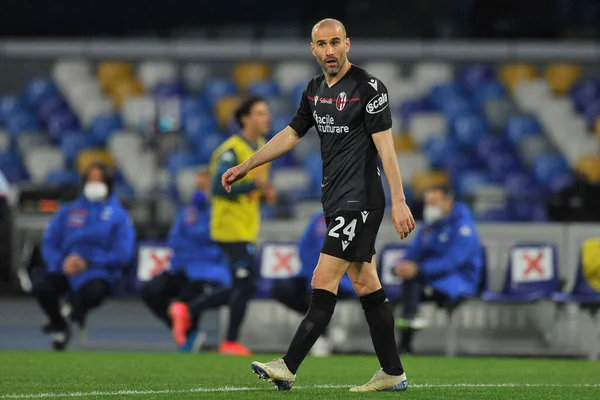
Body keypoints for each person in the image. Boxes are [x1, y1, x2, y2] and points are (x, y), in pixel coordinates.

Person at [221, 18, 415, 392]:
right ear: (313, 49)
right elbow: (291, 135)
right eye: (321, 44)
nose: (329, 51)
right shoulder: (313, 91)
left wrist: (400, 201)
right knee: (364, 282)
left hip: (361, 200)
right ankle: (393, 372)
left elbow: (386, 150)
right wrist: (246, 166)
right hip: (335, 199)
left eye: (335, 43)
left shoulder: (369, 88)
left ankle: (288, 365)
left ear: (347, 45)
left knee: (323, 278)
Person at [170, 95, 276, 356]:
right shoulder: (231, 150)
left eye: (266, 113)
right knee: (245, 282)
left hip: (247, 226)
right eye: (260, 113)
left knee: (244, 285)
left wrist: (263, 193)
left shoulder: (262, 146)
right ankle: (227, 340)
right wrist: (254, 186)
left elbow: (253, 189)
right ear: (245, 118)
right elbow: (218, 187)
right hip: (229, 227)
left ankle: (189, 310)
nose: (266, 118)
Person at [32, 162, 135, 350]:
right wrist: (62, 262)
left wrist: (89, 262)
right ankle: (61, 324)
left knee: (95, 291)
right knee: (41, 285)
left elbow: (123, 254)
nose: (94, 183)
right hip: (66, 269)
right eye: (90, 179)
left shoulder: (119, 216)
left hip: (97, 272)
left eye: (99, 179)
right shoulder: (67, 211)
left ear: (108, 183)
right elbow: (49, 243)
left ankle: (66, 318)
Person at [140, 168, 231, 352]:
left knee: (187, 298)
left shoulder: (224, 210)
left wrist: (195, 241)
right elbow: (175, 239)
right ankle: (189, 333)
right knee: (150, 290)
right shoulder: (188, 211)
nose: (199, 190)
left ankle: (189, 334)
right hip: (183, 267)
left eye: (203, 186)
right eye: (197, 186)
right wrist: (196, 245)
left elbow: (220, 239)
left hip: (209, 270)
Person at [393, 185, 483, 354]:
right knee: (407, 282)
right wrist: (402, 265)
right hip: (434, 278)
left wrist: (419, 270)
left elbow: (453, 262)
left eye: (434, 202)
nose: (430, 207)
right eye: (428, 203)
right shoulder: (431, 226)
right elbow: (415, 251)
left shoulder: (463, 228)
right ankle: (406, 329)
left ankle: (406, 338)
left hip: (460, 279)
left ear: (449, 202)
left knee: (413, 281)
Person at [271, 211, 356, 356]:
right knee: (280, 290)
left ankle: (319, 336)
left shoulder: (351, 218)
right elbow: (304, 247)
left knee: (312, 294)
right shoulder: (319, 217)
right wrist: (314, 273)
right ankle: (326, 330)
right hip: (312, 272)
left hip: (340, 277)